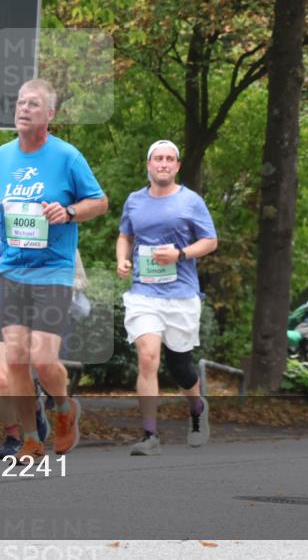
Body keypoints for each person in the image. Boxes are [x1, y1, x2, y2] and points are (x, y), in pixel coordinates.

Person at [0, 78, 108, 462]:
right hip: (13, 270)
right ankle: (32, 438)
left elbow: (99, 202)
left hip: (53, 269)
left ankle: (65, 409)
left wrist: (68, 212)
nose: (23, 109)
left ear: (49, 114)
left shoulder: (67, 157)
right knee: (15, 358)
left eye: (33, 104)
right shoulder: (1, 157)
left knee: (43, 360)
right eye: (19, 102)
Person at [116, 140, 218, 456]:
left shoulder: (191, 201)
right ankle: (150, 435)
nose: (163, 163)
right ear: (148, 165)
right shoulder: (134, 201)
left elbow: (211, 241)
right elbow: (125, 235)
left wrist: (180, 254)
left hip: (181, 294)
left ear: (177, 166)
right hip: (143, 293)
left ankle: (198, 409)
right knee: (147, 357)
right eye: (158, 158)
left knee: (180, 366)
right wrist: (122, 259)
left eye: (169, 159)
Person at [0, 215, 49, 459]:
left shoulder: (38, 219)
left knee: (21, 372)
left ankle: (34, 409)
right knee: (2, 377)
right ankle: (12, 437)